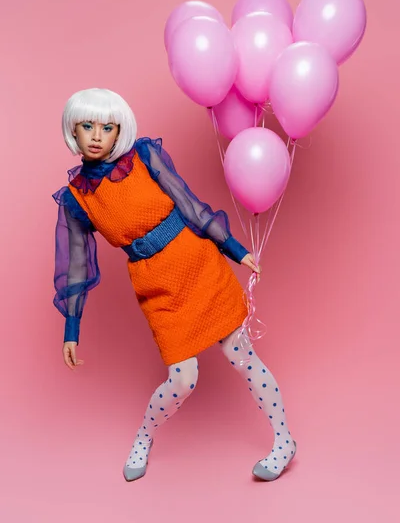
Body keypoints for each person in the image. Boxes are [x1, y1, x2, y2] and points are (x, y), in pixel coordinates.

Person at [53, 88, 297, 482]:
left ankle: (284, 440)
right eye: (86, 126)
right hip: (155, 284)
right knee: (184, 377)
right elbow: (76, 265)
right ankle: (145, 437)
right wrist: (71, 328)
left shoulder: (144, 156)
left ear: (120, 132)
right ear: (73, 131)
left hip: (198, 263)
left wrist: (234, 249)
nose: (97, 135)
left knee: (241, 355)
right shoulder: (76, 199)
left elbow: (189, 203)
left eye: (107, 127)